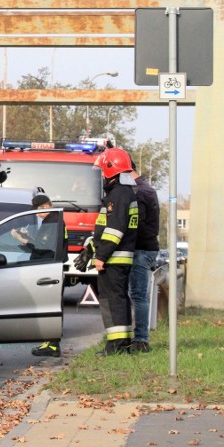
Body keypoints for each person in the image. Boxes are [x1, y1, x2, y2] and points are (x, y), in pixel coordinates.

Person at [89, 147, 139, 355]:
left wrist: (101, 255)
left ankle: (116, 346)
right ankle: (122, 343)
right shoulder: (123, 193)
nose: (101, 174)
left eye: (103, 170)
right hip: (118, 257)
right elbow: (105, 228)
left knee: (112, 300)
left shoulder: (117, 195)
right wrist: (91, 247)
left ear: (112, 170)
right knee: (119, 299)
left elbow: (114, 230)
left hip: (114, 258)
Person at [12, 190, 68, 358]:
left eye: (38, 210)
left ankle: (52, 344)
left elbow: (44, 248)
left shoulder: (53, 221)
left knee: (48, 306)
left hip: (48, 268)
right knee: (50, 306)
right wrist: (30, 236)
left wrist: (22, 239)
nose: (37, 215)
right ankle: (50, 342)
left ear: (45, 206)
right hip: (51, 267)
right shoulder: (53, 221)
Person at [128, 160, 160, 353]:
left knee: (138, 295)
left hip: (141, 249)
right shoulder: (147, 189)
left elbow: (135, 224)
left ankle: (141, 339)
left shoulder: (138, 192)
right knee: (138, 295)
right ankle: (139, 337)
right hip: (147, 248)